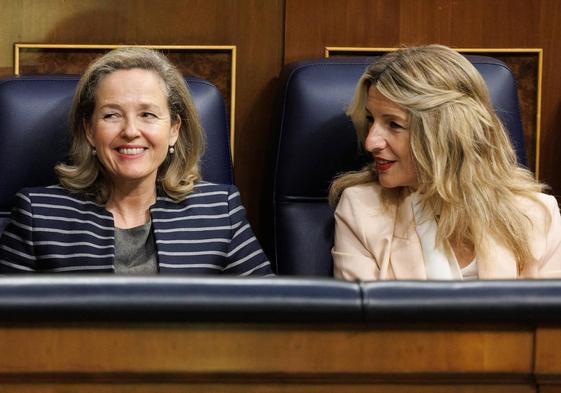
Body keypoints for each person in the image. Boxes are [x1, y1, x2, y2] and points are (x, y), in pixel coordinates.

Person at [0, 47, 272, 276]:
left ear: (174, 130)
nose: (130, 131)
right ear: (89, 131)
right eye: (111, 115)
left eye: (148, 115)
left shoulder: (220, 212)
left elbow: (273, 319)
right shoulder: (38, 216)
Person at [330, 44, 561, 280]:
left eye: (394, 124)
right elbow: (365, 316)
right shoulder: (360, 210)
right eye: (371, 119)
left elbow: (548, 315)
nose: (370, 142)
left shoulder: (538, 215)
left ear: (447, 133)